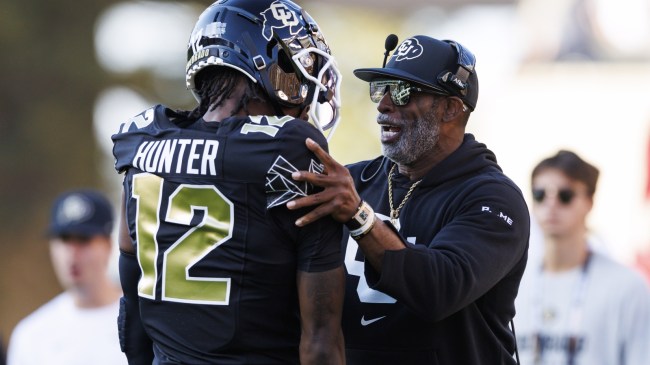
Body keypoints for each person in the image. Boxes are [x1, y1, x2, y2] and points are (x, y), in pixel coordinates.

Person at [111, 1, 345, 364]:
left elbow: (133, 304)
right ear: (262, 63)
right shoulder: (290, 147)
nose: (305, 82)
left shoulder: (142, 142)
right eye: (296, 65)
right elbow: (321, 344)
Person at [287, 35, 530, 364]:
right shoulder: (353, 180)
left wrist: (360, 218)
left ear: (451, 109)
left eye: (403, 92)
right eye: (381, 88)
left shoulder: (494, 198)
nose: (384, 104)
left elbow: (439, 290)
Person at [514, 150, 650, 364]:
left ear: (589, 202)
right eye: (539, 194)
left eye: (565, 195)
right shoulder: (513, 283)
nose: (551, 204)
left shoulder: (628, 287)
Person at [7, 189, 125, 365]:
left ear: (108, 245)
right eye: (63, 239)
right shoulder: (31, 335)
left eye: (83, 239)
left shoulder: (142, 323)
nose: (72, 253)